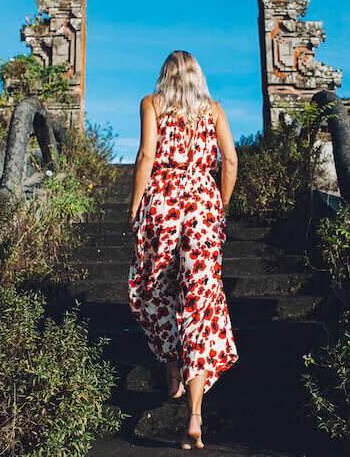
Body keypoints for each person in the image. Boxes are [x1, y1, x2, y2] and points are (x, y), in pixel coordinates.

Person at [127, 50, 239, 450]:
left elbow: (145, 156)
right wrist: (219, 207)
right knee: (200, 300)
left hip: (163, 203)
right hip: (204, 208)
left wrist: (136, 205)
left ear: (165, 75)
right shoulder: (214, 109)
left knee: (155, 289)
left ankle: (172, 365)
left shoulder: (151, 103)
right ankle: (195, 414)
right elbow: (229, 159)